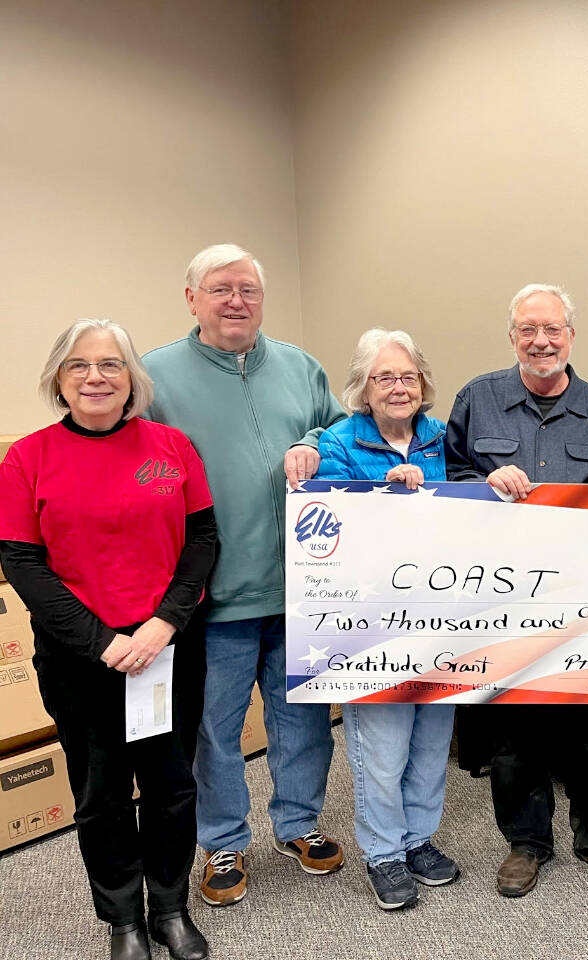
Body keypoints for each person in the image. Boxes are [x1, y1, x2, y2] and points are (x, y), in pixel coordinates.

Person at [0, 320, 216, 960]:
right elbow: (21, 562)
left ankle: (171, 908)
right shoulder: (27, 458)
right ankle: (123, 918)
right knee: (101, 793)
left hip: (167, 649)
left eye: (110, 364)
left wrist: (163, 624)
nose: (95, 377)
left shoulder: (173, 447)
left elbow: (203, 541)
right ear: (58, 380)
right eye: (79, 366)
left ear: (132, 380)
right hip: (80, 659)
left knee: (172, 786)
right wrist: (102, 641)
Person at [143, 244, 347, 907]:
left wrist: (314, 444)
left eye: (249, 290)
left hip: (302, 590)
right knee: (215, 732)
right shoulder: (155, 378)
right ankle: (224, 841)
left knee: (304, 723)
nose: (237, 301)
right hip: (214, 595)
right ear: (192, 297)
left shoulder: (299, 365)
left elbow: (342, 434)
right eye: (222, 288)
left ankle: (298, 824)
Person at [445, 282, 588, 897]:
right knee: (516, 730)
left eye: (552, 329)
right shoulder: (477, 399)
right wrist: (483, 479)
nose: (541, 340)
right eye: (528, 329)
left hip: (582, 598)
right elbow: (445, 481)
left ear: (571, 336)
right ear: (512, 336)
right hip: (503, 597)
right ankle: (526, 843)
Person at [313, 329, 458, 911]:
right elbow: (323, 521)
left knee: (431, 739)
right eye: (384, 377)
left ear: (422, 384)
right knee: (383, 743)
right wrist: (378, 492)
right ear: (362, 389)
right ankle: (385, 854)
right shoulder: (339, 441)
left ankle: (420, 840)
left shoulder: (443, 437)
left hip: (444, 615)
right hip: (369, 623)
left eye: (408, 376)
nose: (398, 387)